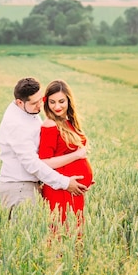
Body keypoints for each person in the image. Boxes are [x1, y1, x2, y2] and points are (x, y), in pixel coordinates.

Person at [0, 77, 88, 216]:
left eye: (41, 99)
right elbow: (33, 164)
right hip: (20, 188)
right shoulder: (16, 125)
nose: (40, 105)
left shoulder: (29, 111)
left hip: (30, 185)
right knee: (24, 234)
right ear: (20, 102)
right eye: (35, 103)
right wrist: (65, 182)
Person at [39, 80, 93, 226]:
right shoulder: (50, 125)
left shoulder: (68, 122)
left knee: (73, 232)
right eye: (52, 102)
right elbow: (44, 162)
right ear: (46, 103)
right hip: (61, 188)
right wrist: (77, 156)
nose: (57, 106)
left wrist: (86, 177)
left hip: (74, 188)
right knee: (62, 231)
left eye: (61, 101)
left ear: (69, 100)